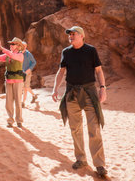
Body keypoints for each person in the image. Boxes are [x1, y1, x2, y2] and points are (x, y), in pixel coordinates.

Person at [51, 26, 108, 178]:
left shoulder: (91, 50)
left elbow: (99, 70)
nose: (70, 36)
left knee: (94, 128)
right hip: (72, 94)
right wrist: (55, 88)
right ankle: (81, 159)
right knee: (75, 128)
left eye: (73, 34)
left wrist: (103, 88)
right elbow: (61, 71)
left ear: (82, 36)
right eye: (69, 34)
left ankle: (99, 164)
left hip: (89, 93)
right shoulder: (66, 52)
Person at [0, 37, 25, 128]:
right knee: (8, 102)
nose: (11, 45)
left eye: (13, 44)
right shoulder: (7, 55)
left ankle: (19, 121)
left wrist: (2, 48)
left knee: (18, 102)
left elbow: (13, 56)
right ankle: (10, 121)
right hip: (9, 81)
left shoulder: (20, 55)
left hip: (18, 81)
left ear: (18, 46)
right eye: (10, 44)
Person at [21, 41, 38, 107]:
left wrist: (29, 69)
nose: (23, 47)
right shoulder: (19, 53)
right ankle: (34, 96)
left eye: (24, 46)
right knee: (24, 88)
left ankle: (23, 102)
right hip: (21, 73)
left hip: (27, 73)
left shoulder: (28, 54)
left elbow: (34, 62)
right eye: (22, 45)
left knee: (26, 87)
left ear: (26, 46)